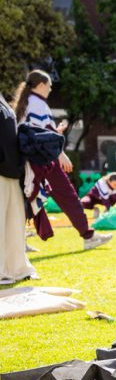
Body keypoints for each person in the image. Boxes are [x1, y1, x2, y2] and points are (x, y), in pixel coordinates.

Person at [13, 69, 112, 251]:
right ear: (41, 85)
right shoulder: (37, 104)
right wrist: (60, 153)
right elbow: (41, 136)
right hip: (42, 161)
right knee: (68, 196)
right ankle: (88, 236)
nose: (51, 89)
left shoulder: (28, 102)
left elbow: (35, 132)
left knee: (24, 200)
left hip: (30, 160)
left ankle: (18, 243)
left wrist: (55, 134)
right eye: (49, 86)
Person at [0, 92, 37, 284]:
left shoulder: (3, 101)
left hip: (12, 172)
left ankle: (16, 268)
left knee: (15, 222)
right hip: (2, 170)